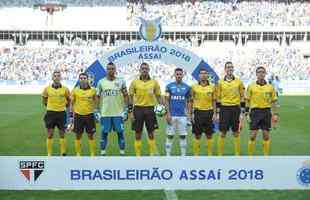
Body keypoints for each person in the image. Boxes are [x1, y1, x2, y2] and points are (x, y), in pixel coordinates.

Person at [129, 62, 162, 156]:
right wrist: (130, 112)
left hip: (150, 109)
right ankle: (138, 155)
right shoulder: (134, 82)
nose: (144, 70)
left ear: (148, 70)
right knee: (137, 133)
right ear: (140, 70)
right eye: (142, 68)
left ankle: (152, 154)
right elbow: (130, 97)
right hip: (138, 109)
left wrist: (162, 107)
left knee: (151, 133)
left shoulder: (154, 82)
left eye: (146, 68)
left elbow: (158, 96)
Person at [96, 62, 129, 156]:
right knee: (104, 133)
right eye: (109, 69)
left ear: (115, 70)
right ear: (106, 70)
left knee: (120, 133)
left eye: (112, 69)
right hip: (105, 113)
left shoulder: (121, 81)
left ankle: (122, 153)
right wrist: (97, 110)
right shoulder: (101, 82)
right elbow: (97, 97)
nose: (111, 70)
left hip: (118, 113)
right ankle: (103, 153)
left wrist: (126, 109)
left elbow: (126, 95)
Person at [245, 66, 279, 156]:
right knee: (253, 135)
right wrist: (247, 113)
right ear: (256, 74)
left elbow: (274, 101)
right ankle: (250, 156)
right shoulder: (251, 86)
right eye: (259, 72)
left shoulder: (270, 87)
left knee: (266, 135)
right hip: (255, 112)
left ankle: (266, 156)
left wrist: (275, 114)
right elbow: (247, 100)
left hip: (266, 112)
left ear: (265, 74)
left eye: (263, 72)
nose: (261, 73)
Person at [216, 62, 245, 156]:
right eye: (228, 67)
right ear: (225, 69)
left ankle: (237, 154)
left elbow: (242, 97)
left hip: (235, 108)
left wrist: (242, 112)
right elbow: (218, 98)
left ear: (233, 69)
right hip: (224, 109)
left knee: (236, 132)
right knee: (222, 132)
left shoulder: (239, 82)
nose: (230, 69)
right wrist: (217, 112)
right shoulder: (220, 82)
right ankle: (220, 154)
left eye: (231, 67)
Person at [189, 68, 217, 156]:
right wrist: (191, 114)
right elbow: (191, 101)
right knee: (197, 135)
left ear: (208, 75)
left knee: (209, 134)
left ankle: (209, 154)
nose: (203, 75)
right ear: (199, 76)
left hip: (209, 112)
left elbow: (214, 101)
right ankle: (196, 155)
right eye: (201, 73)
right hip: (198, 113)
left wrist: (215, 113)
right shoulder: (193, 87)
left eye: (205, 73)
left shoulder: (212, 86)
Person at [42, 70, 70, 156]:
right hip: (50, 113)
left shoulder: (65, 89)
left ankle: (63, 152)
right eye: (55, 76)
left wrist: (64, 107)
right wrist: (50, 107)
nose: (57, 77)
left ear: (60, 78)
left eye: (58, 76)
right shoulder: (47, 89)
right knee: (50, 134)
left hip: (61, 113)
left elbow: (69, 100)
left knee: (62, 134)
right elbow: (44, 100)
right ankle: (49, 153)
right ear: (52, 78)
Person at [164, 68, 191, 156]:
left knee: (183, 136)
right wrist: (168, 113)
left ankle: (183, 156)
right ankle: (168, 155)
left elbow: (189, 102)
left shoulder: (187, 87)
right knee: (170, 135)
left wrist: (189, 115)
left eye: (180, 74)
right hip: (172, 115)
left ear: (183, 75)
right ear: (174, 75)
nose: (179, 76)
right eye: (177, 74)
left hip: (182, 116)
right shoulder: (169, 86)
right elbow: (166, 101)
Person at [70, 72, 97, 156]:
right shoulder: (75, 90)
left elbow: (96, 102)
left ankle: (92, 154)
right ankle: (78, 153)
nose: (83, 80)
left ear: (87, 79)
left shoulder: (93, 90)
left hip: (90, 115)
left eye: (84, 78)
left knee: (91, 135)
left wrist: (96, 112)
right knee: (78, 135)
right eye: (81, 78)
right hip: (78, 116)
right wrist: (71, 116)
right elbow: (71, 103)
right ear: (79, 79)